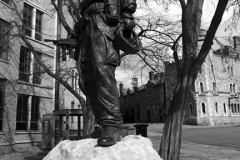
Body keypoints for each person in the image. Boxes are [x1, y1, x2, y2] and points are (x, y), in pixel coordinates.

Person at [73, 0, 138, 147]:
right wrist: (75, 32)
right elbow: (83, 11)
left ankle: (112, 125)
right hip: (87, 24)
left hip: (105, 21)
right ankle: (103, 125)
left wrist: (127, 16)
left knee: (103, 72)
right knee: (86, 79)